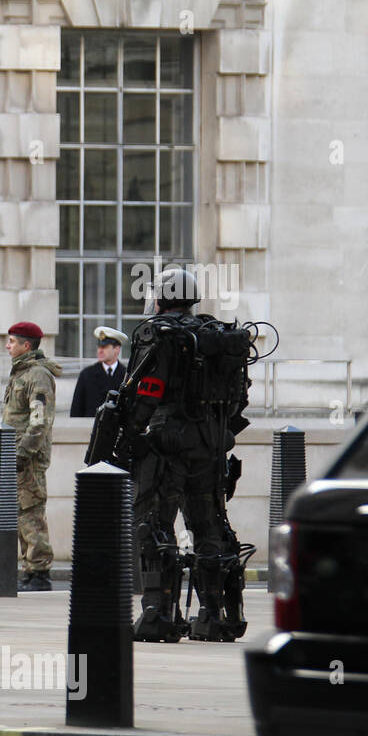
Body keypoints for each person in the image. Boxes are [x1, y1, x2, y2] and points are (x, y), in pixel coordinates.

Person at [108, 267, 252, 643]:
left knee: (153, 524)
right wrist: (218, 433)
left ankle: (160, 614)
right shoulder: (218, 337)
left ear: (162, 298)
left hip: (165, 445)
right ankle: (215, 615)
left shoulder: (160, 335)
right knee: (209, 525)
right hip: (210, 445)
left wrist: (131, 434)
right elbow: (239, 400)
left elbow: (146, 392)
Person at [2, 321, 62, 592]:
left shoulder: (36, 375)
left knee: (31, 511)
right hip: (17, 453)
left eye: (12, 341)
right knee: (21, 512)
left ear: (27, 345)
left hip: (28, 456)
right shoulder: (22, 372)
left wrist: (23, 452)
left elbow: (39, 420)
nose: (7, 346)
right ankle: (30, 570)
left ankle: (39, 572)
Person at [70, 326, 128, 418]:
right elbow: (76, 410)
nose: (100, 351)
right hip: (90, 429)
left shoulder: (127, 376)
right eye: (99, 347)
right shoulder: (87, 375)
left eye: (104, 347)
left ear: (117, 349)